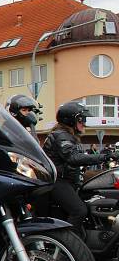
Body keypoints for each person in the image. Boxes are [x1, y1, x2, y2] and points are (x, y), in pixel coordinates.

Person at [42, 101, 116, 236]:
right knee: (79, 211)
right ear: (70, 120)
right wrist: (105, 157)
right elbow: (73, 158)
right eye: (81, 120)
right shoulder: (61, 135)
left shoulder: (68, 135)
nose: (84, 123)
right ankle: (70, 246)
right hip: (57, 181)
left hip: (67, 180)